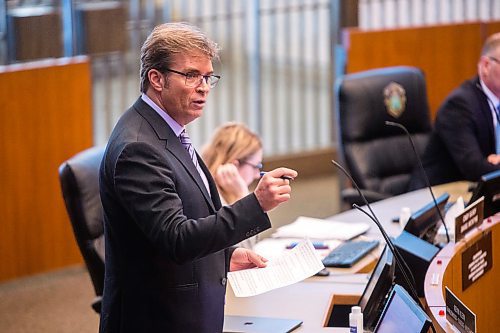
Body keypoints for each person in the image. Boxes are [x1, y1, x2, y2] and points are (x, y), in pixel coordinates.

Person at [99, 22, 297, 333]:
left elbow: (187, 216)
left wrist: (224, 255)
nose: (203, 86)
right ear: (156, 78)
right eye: (191, 75)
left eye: (207, 77)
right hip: (157, 320)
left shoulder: (168, 130)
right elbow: (176, 238)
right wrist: (255, 204)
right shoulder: (138, 147)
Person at [410, 33, 500, 189]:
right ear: (486, 66)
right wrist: (487, 163)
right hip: (438, 199)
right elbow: (475, 169)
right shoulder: (459, 106)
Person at [202, 122, 263, 249]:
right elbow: (245, 250)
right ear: (234, 165)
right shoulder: (212, 199)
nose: (257, 175)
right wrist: (244, 198)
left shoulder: (218, 191)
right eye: (256, 166)